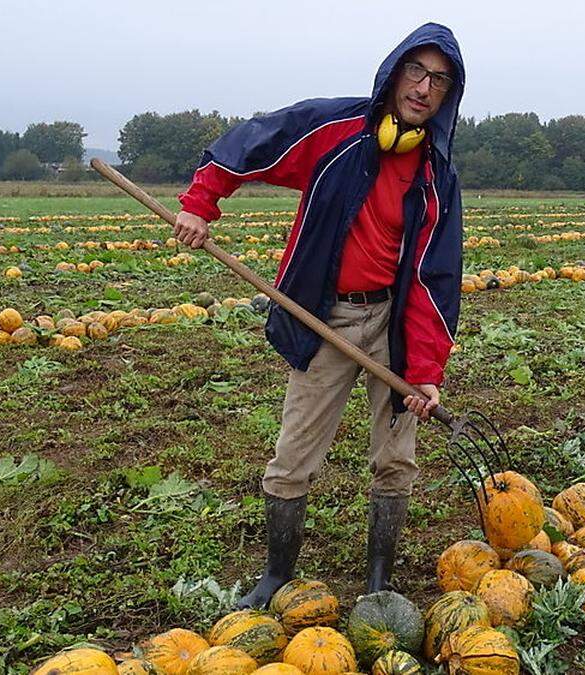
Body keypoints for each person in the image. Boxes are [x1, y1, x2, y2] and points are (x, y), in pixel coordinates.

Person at [173, 23, 465, 608]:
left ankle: (378, 581)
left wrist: (427, 368)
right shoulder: (334, 130)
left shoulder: (436, 176)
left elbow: (437, 276)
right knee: (295, 450)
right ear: (395, 71)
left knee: (396, 457)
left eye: (439, 79)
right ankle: (278, 572)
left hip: (393, 326)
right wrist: (201, 204)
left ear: (448, 95)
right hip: (325, 317)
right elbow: (252, 143)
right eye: (416, 71)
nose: (423, 87)